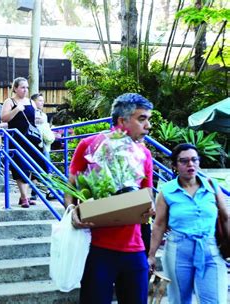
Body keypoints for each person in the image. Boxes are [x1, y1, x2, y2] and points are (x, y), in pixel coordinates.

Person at [66, 93, 154, 304]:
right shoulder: (89, 145)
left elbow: (147, 195)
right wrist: (71, 211)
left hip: (135, 249)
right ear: (122, 121)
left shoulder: (145, 154)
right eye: (142, 119)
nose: (148, 126)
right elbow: (71, 187)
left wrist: (149, 209)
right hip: (98, 248)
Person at [148, 143, 229, 304]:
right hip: (178, 252)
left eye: (194, 159)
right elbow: (158, 225)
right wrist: (151, 255)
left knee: (214, 300)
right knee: (179, 300)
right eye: (184, 161)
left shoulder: (211, 185)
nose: (190, 164)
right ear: (175, 165)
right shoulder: (167, 191)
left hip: (210, 249)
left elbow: (226, 217)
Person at [1, 77, 46, 208]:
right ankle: (24, 197)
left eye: (26, 87)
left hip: (32, 138)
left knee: (36, 166)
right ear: (15, 88)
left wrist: (39, 120)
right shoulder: (9, 101)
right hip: (17, 139)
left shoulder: (31, 102)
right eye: (22, 87)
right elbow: (4, 118)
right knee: (20, 167)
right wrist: (16, 109)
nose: (25, 90)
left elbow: (33, 119)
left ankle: (24, 196)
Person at [30, 93, 55, 201]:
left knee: (45, 169)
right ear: (33, 101)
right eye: (40, 100)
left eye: (43, 101)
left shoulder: (43, 115)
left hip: (44, 146)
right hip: (35, 145)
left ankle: (38, 193)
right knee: (41, 169)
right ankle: (46, 191)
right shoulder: (31, 114)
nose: (42, 103)